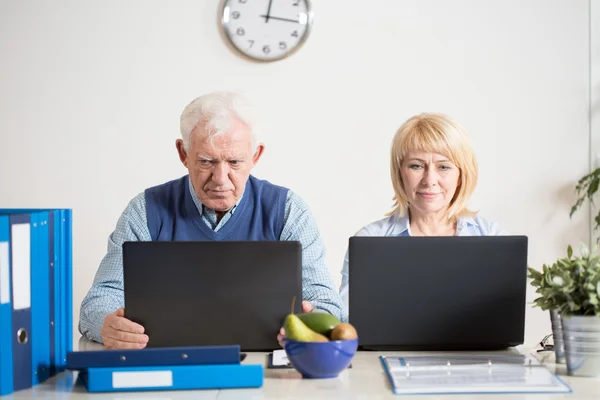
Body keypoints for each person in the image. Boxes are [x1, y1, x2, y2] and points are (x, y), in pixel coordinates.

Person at [79, 91, 344, 349]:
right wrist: (108, 325)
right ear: (183, 154)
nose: (220, 178)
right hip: (168, 364)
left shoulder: (288, 211)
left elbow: (326, 302)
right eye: (206, 161)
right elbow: (101, 298)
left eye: (234, 162)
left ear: (255, 156)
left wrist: (312, 323)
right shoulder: (144, 211)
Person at [339, 112, 506, 314]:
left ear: (461, 175)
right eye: (416, 166)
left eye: (443, 167)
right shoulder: (369, 240)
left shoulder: (490, 236)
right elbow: (347, 319)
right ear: (400, 173)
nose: (429, 180)